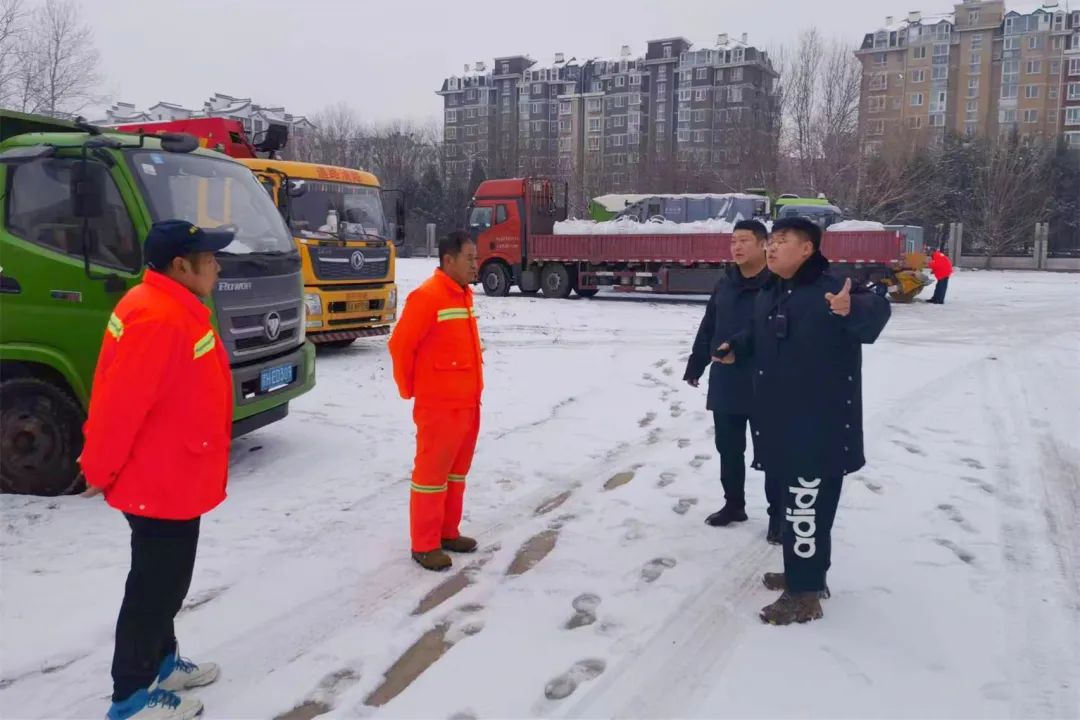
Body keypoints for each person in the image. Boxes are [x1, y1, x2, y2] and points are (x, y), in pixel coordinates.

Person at [81, 220, 234, 720]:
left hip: (173, 474)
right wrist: (99, 468)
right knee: (154, 589)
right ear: (180, 266)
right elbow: (117, 407)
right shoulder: (159, 318)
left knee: (165, 582)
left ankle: (164, 663)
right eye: (209, 257)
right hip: (158, 483)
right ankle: (130, 697)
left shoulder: (170, 304)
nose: (217, 264)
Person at [717, 217, 891, 625]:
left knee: (804, 509)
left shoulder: (833, 286)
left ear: (807, 249)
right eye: (771, 241)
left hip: (818, 427)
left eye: (782, 241)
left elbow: (873, 312)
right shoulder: (774, 291)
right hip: (783, 423)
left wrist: (854, 307)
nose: (772, 248)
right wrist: (736, 348)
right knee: (799, 507)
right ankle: (805, 573)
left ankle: (805, 594)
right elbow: (761, 335)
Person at [388, 231, 483, 572]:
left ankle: (447, 532)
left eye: (475, 258)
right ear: (448, 260)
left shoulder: (462, 296)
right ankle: (424, 544)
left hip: (467, 404)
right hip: (440, 407)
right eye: (470, 258)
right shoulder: (428, 297)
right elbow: (400, 345)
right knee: (431, 475)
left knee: (456, 474)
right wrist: (410, 388)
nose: (476, 264)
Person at [684, 220, 782, 542]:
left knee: (772, 452)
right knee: (729, 448)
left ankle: (778, 516)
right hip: (726, 378)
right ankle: (733, 505)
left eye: (744, 241)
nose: (737, 247)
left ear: (764, 244)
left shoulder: (778, 284)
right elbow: (709, 324)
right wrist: (696, 364)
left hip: (765, 380)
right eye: (733, 241)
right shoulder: (725, 283)